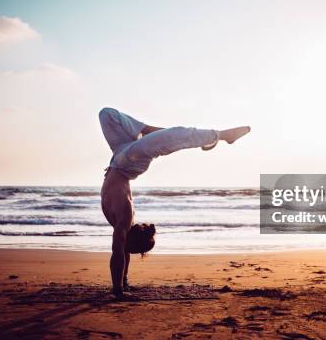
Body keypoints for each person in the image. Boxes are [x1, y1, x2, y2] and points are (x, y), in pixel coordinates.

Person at [98, 107, 250, 298]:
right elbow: (121, 252)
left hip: (121, 159)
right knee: (171, 137)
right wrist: (120, 287)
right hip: (128, 162)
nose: (123, 248)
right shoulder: (124, 216)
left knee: (106, 114)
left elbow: (120, 253)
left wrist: (120, 288)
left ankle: (148, 130)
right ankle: (221, 135)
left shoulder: (123, 219)